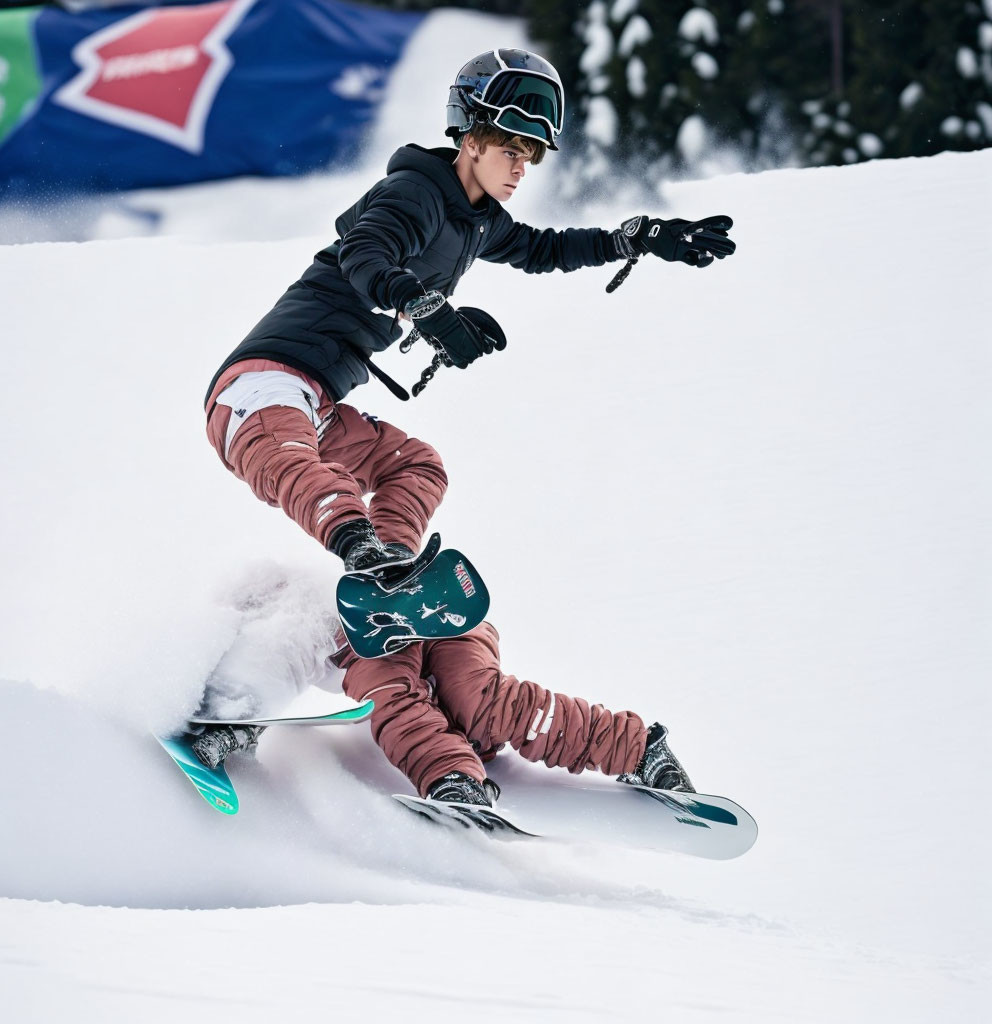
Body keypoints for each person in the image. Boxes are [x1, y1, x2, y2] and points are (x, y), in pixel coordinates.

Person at [202, 48, 737, 582]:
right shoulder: (416, 192)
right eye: (510, 148)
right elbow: (364, 252)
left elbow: (542, 249)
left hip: (317, 402)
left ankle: (391, 579)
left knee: (415, 466)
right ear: (472, 138)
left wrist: (630, 239)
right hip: (260, 386)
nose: (521, 166)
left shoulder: (477, 222)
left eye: (530, 153)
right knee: (299, 466)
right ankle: (360, 548)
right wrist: (423, 305)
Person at [192, 617, 694, 804]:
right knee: (407, 698)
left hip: (436, 616)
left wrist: (233, 716)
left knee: (482, 702)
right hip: (373, 637)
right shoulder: (279, 623)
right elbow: (271, 662)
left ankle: (638, 750)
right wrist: (234, 718)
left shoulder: (299, 604)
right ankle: (458, 763)